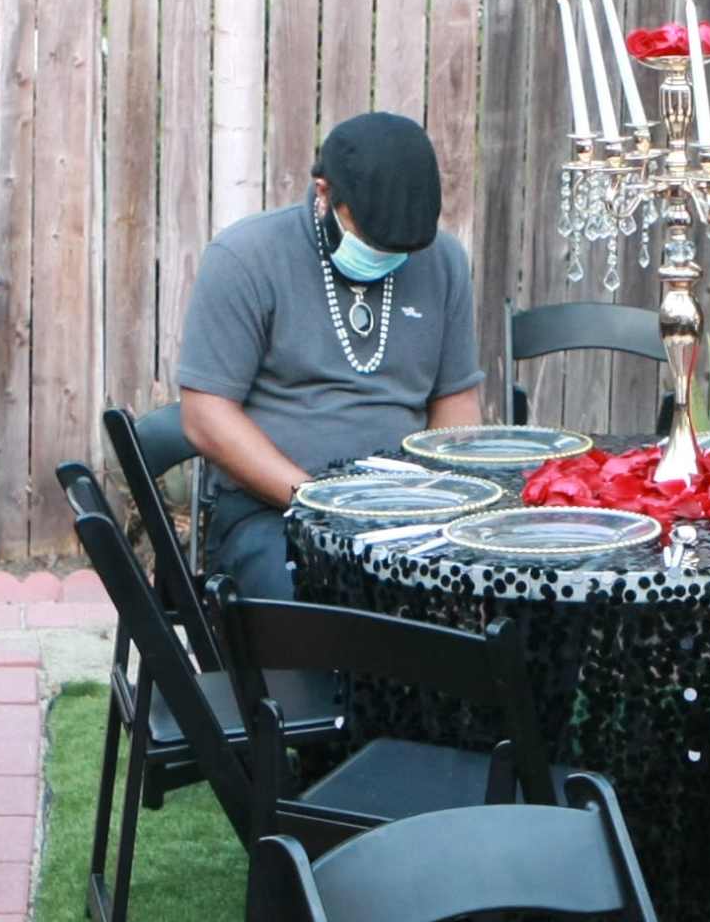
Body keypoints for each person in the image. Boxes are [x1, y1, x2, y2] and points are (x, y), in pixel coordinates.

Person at [176, 111, 485, 598]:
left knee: (484, 600)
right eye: (373, 242)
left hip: (406, 510)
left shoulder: (442, 262)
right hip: (273, 510)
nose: (388, 257)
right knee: (322, 598)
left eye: (400, 249)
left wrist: (436, 497)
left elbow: (456, 404)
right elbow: (205, 415)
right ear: (324, 193)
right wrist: (317, 501)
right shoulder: (246, 257)